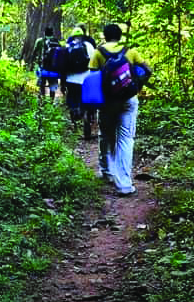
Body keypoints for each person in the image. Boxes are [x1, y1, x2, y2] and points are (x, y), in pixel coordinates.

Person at [89, 23, 151, 196]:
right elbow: (147, 70)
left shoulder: (98, 53)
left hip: (107, 102)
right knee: (126, 139)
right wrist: (136, 86)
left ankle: (107, 172)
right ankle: (124, 184)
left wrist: (92, 105)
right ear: (120, 36)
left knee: (106, 135)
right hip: (129, 100)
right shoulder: (130, 52)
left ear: (105, 36)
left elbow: (93, 78)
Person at [62, 27, 96, 138]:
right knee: (85, 101)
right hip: (85, 79)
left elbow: (63, 66)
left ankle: (75, 124)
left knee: (72, 101)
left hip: (71, 80)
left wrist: (62, 83)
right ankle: (85, 115)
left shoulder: (68, 46)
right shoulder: (88, 46)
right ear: (83, 35)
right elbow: (94, 63)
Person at [31, 26, 60, 102]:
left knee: (42, 85)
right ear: (52, 33)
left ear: (44, 33)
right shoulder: (56, 41)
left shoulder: (40, 41)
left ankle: (42, 101)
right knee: (52, 85)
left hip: (43, 67)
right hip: (53, 68)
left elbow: (34, 53)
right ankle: (51, 101)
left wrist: (32, 64)